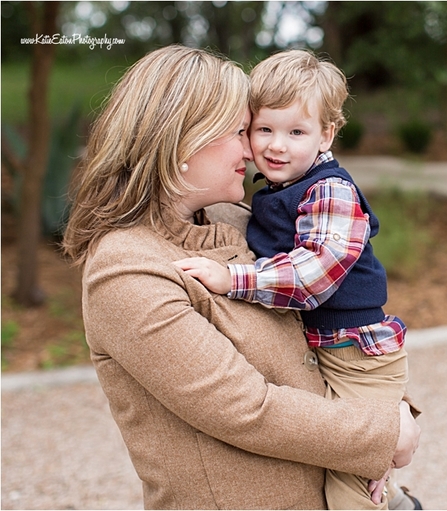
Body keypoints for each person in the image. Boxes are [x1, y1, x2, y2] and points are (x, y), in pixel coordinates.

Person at [61, 44, 420, 510]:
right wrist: (385, 433)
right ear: (181, 142)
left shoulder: (234, 218)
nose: (254, 149)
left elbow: (317, 321)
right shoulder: (126, 270)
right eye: (241, 130)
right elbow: (246, 408)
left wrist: (391, 407)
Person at [173, 49, 421, 510]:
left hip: (355, 357)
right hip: (321, 351)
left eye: (296, 132)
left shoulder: (330, 190)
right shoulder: (274, 193)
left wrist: (232, 278)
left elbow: (312, 276)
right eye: (263, 129)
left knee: (351, 492)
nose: (275, 146)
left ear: (326, 134)